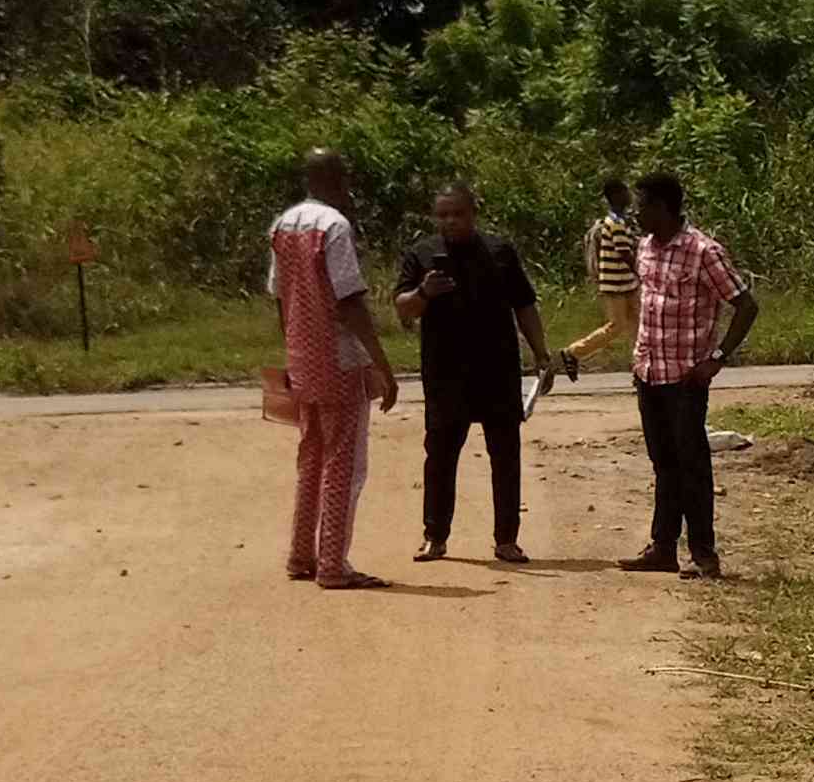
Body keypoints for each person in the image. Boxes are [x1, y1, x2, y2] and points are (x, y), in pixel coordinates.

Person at [399, 180, 561, 562]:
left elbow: (525, 306)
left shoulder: (499, 252)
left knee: (505, 455)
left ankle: (506, 539)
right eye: (443, 215)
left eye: (458, 213)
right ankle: (435, 537)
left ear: (473, 213)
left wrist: (541, 354)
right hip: (444, 373)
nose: (450, 221)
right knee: (439, 455)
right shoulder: (422, 254)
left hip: (497, 371)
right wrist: (424, 293)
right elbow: (403, 307)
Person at [266, 150, 396, 585]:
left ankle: (301, 556)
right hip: (339, 359)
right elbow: (349, 299)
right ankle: (333, 565)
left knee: (311, 458)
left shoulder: (283, 224)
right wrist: (381, 363)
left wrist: (290, 350)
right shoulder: (335, 227)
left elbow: (279, 295)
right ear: (338, 179)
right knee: (344, 463)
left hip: (303, 356)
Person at [622, 169, 758, 579]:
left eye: (641, 205)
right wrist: (638, 361)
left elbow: (746, 305)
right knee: (663, 462)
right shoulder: (644, 248)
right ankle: (662, 547)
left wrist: (716, 357)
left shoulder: (703, 251)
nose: (635, 214)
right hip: (649, 372)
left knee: (692, 465)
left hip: (685, 379)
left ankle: (703, 553)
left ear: (662, 207)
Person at [581, 176, 639, 368]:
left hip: (626, 283)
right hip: (616, 284)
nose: (629, 196)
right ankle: (572, 353)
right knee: (617, 327)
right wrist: (643, 273)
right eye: (625, 192)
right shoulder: (615, 223)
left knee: (639, 326)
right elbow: (625, 253)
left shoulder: (622, 221)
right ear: (615, 196)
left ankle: (640, 368)